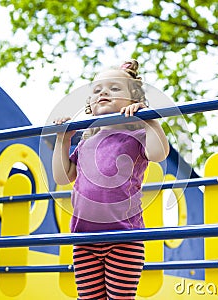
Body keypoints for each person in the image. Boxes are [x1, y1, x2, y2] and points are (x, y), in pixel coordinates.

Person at [52, 59, 170, 300]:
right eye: (97, 90)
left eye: (115, 88)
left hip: (124, 238)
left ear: (134, 100)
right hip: (85, 240)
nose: (104, 92)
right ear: (90, 106)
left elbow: (159, 153)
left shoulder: (136, 136)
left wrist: (150, 119)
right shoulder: (85, 143)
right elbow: (63, 177)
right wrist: (63, 140)